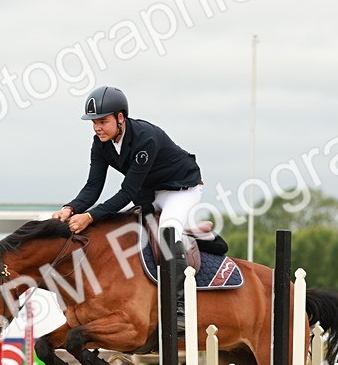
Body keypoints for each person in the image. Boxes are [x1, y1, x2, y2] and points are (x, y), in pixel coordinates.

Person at [52, 85, 227, 269]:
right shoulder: (100, 144)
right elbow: (93, 186)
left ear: (120, 117)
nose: (97, 128)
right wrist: (70, 209)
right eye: (94, 122)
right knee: (107, 225)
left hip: (181, 190)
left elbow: (127, 192)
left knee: (167, 235)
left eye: (102, 121)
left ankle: (178, 297)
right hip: (149, 193)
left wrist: (89, 216)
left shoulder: (145, 139)